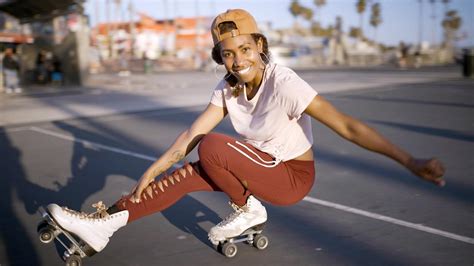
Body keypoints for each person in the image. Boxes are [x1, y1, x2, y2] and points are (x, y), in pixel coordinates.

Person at [47, 9, 445, 255]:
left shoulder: (283, 81)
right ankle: (105, 226)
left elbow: (347, 125)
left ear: (260, 44)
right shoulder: (227, 89)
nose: (238, 61)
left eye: (244, 49)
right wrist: (153, 169)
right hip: (253, 167)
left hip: (290, 177)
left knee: (215, 146)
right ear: (220, 57)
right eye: (227, 54)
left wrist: (409, 161)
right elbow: (190, 135)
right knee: (181, 176)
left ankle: (247, 208)